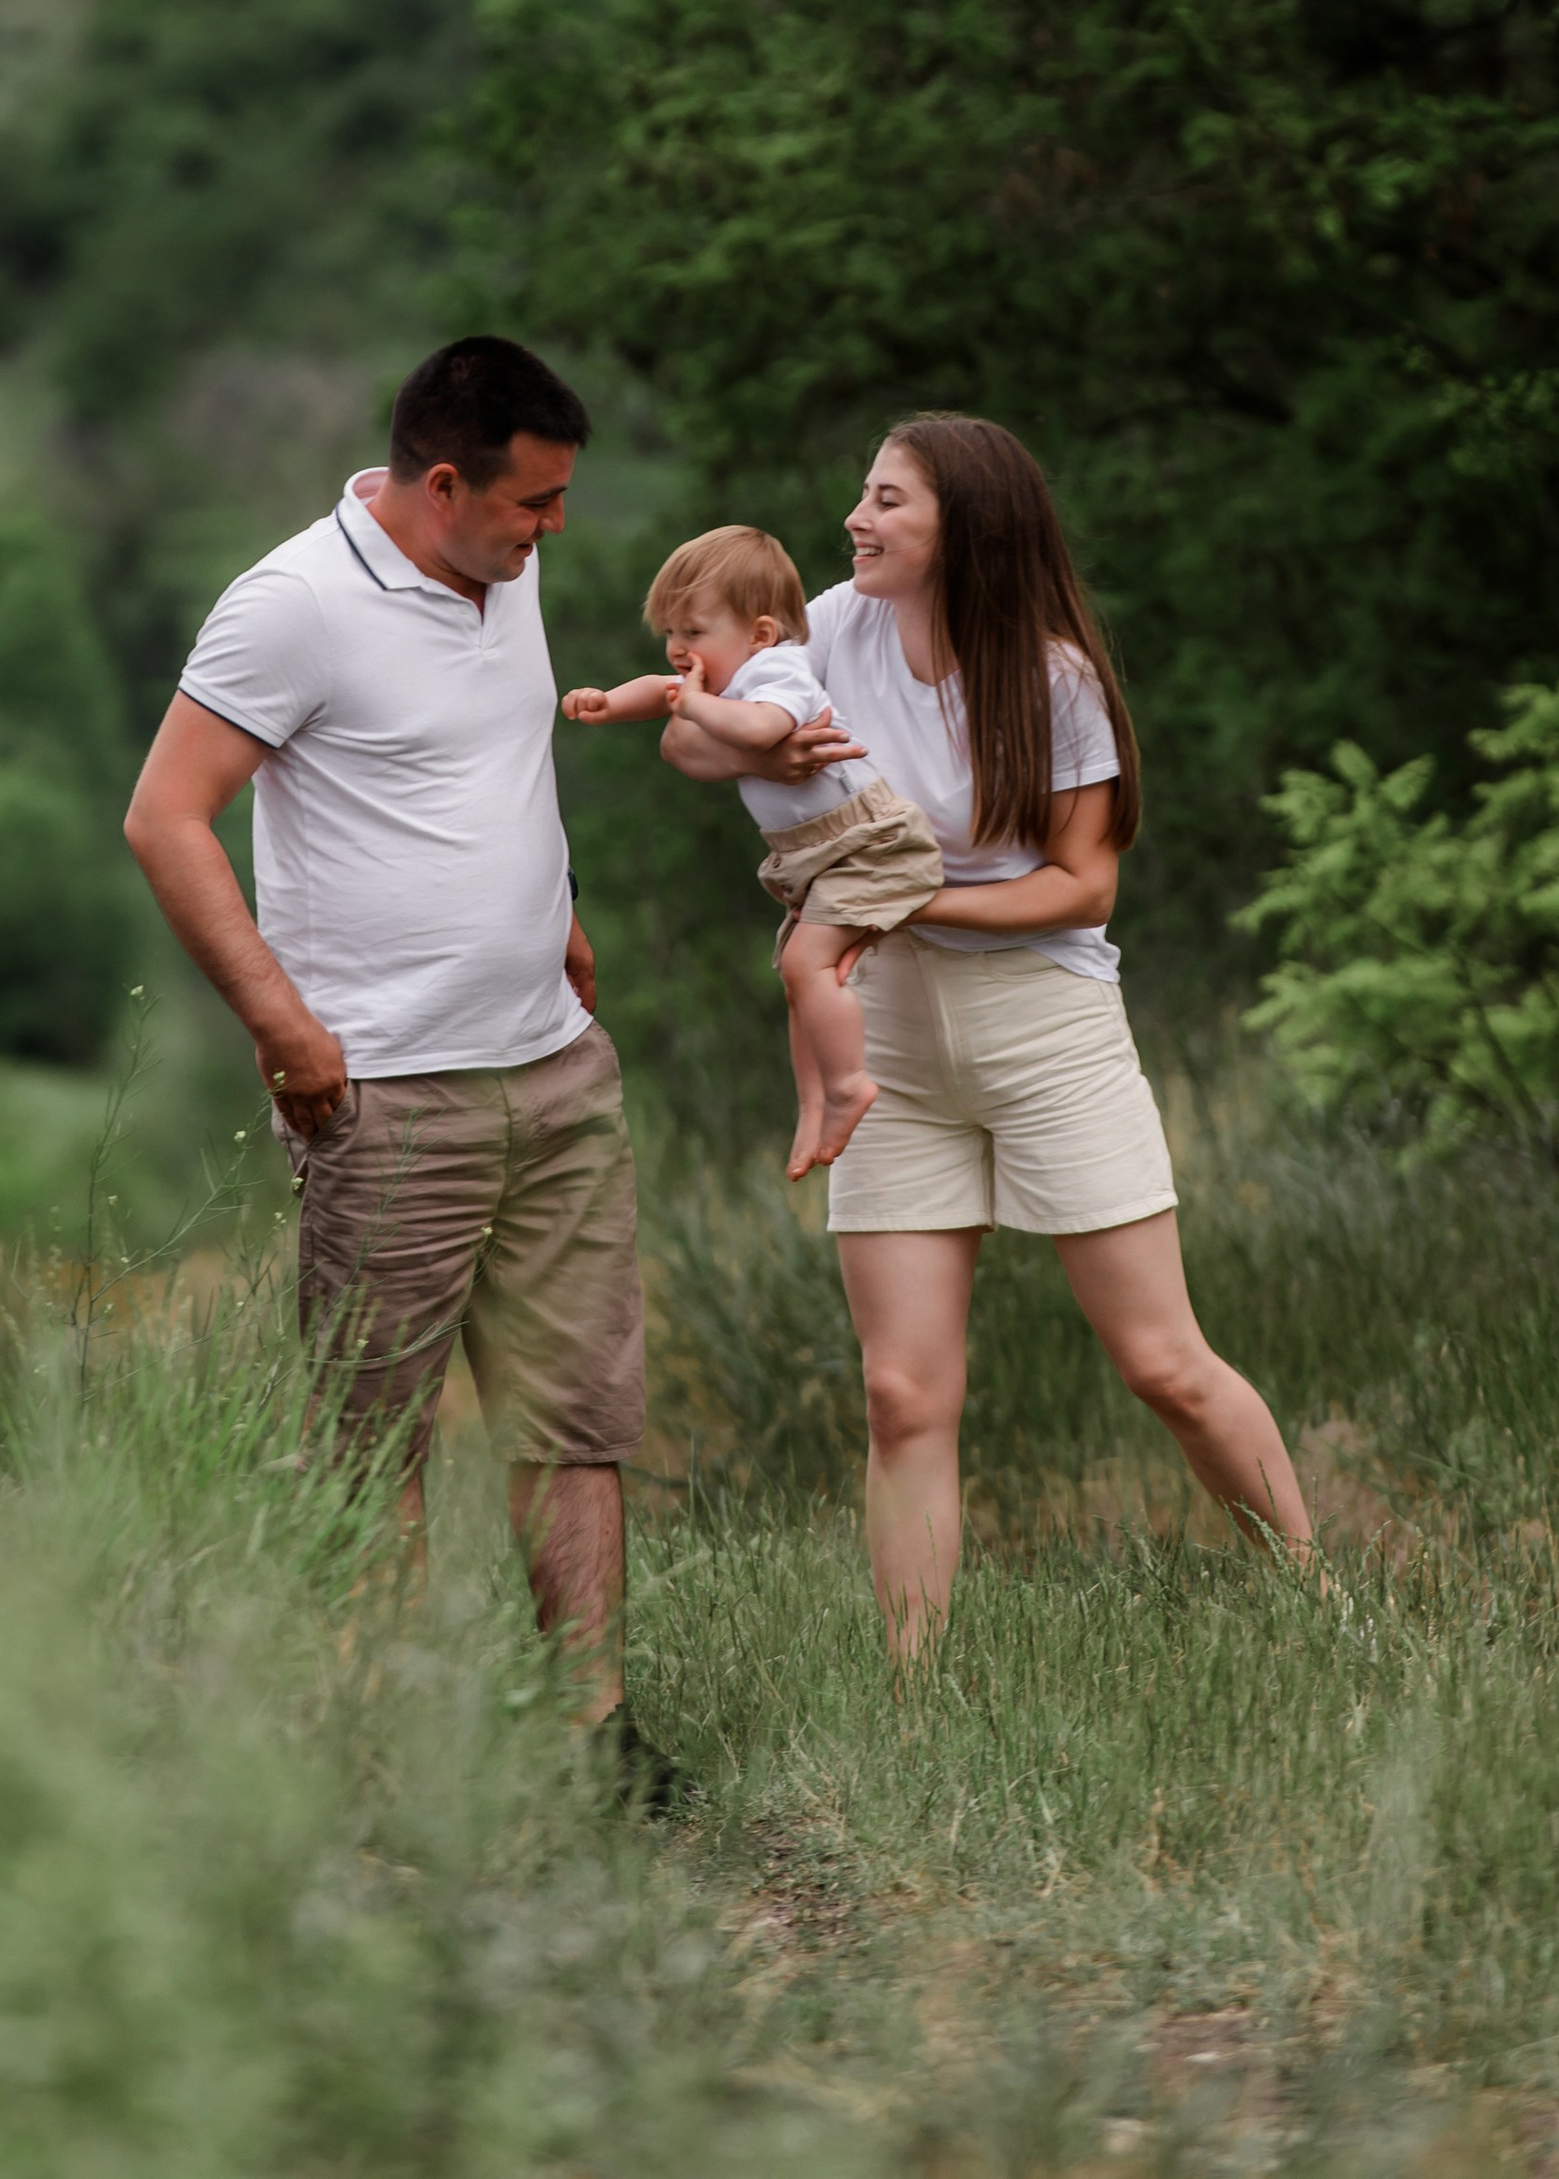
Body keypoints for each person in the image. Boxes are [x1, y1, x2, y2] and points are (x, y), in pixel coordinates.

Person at [664, 412, 1314, 1650]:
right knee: (903, 1392)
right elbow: (691, 718)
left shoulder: (1054, 677)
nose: (856, 518)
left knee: (1164, 1364)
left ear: (966, 525)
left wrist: (904, 901)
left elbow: (1082, 885)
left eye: (888, 499)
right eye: (863, 492)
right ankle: (915, 1693)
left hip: (1043, 1022)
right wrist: (741, 736)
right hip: (889, 1034)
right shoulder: (827, 632)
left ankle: (1320, 1602)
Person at [121, 334, 666, 1788]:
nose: (555, 531)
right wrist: (284, 1027)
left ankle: (591, 1732)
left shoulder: (505, 567)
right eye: (533, 504)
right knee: (376, 1434)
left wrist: (556, 914)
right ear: (441, 483)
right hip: (392, 1093)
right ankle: (390, 1746)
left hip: (556, 1069)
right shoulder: (291, 607)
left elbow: (490, 768)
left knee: (574, 1410)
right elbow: (166, 818)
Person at [562, 524, 944, 1181]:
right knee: (798, 983)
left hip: (867, 843)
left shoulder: (778, 670)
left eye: (693, 633)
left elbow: (763, 728)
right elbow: (661, 692)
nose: (679, 650)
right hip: (815, 853)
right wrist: (607, 702)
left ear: (761, 633)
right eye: (671, 634)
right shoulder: (721, 676)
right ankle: (812, 1101)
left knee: (805, 966)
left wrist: (699, 705)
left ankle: (850, 1082)